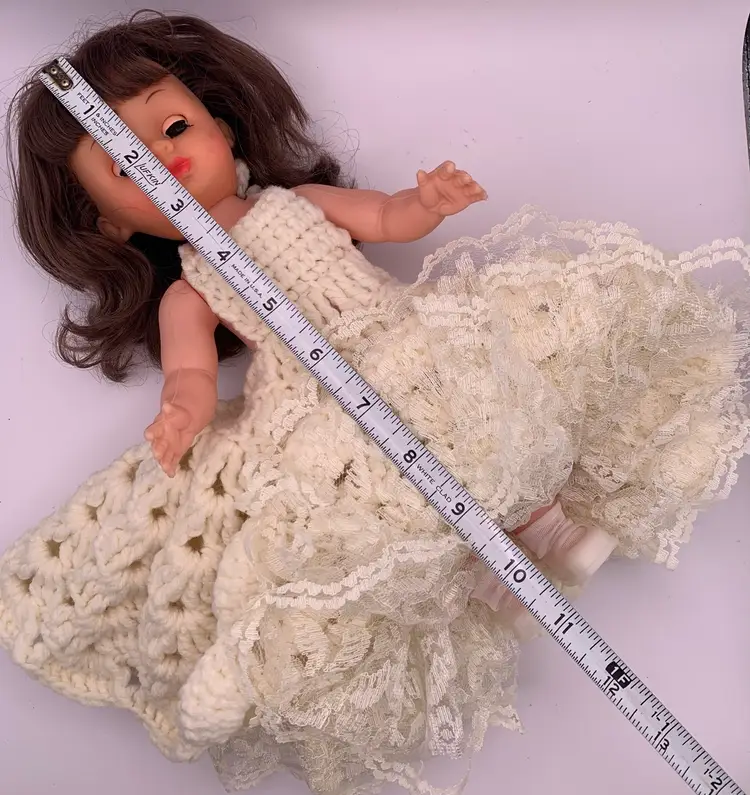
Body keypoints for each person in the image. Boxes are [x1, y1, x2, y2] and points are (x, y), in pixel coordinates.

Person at [3, 10, 748, 795]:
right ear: (112, 224)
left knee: (487, 415)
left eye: (175, 126)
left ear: (222, 125)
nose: (163, 157)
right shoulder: (189, 291)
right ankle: (492, 571)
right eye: (129, 167)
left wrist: (426, 202)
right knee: (391, 496)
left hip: (398, 333)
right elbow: (189, 371)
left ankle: (546, 528)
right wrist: (182, 413)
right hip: (318, 403)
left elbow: (385, 218)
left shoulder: (298, 202)